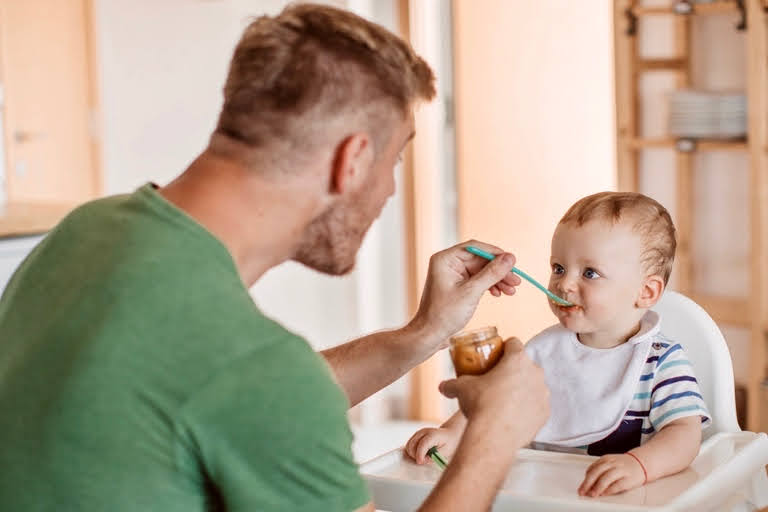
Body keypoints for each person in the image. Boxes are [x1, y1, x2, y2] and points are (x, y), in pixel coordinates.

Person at [0, 4, 549, 511]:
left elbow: (241, 398)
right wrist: (492, 440)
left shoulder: (87, 230)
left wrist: (424, 334)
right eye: (396, 158)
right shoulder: (255, 370)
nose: (390, 190)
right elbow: (262, 391)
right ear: (352, 159)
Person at [406, 192, 710, 498]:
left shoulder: (661, 362)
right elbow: (493, 403)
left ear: (646, 291)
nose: (563, 284)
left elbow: (685, 434)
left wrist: (639, 465)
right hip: (543, 496)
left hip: (623, 501)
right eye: (558, 268)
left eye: (590, 273)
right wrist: (451, 432)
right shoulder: (544, 351)